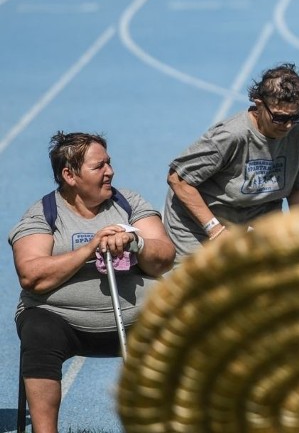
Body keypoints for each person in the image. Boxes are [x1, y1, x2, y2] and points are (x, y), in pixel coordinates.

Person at [8, 131, 175, 433]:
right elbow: (31, 275)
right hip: (64, 321)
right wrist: (89, 248)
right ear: (69, 175)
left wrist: (136, 242)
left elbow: (164, 256)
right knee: (38, 330)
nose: (110, 171)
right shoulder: (43, 214)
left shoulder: (128, 203)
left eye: (109, 163)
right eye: (99, 166)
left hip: (136, 319)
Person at [164, 62, 299, 263]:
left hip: (254, 220)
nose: (288, 125)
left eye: (295, 116)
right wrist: (215, 230)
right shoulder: (232, 135)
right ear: (258, 105)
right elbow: (178, 179)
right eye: (280, 118)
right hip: (201, 224)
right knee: (201, 289)